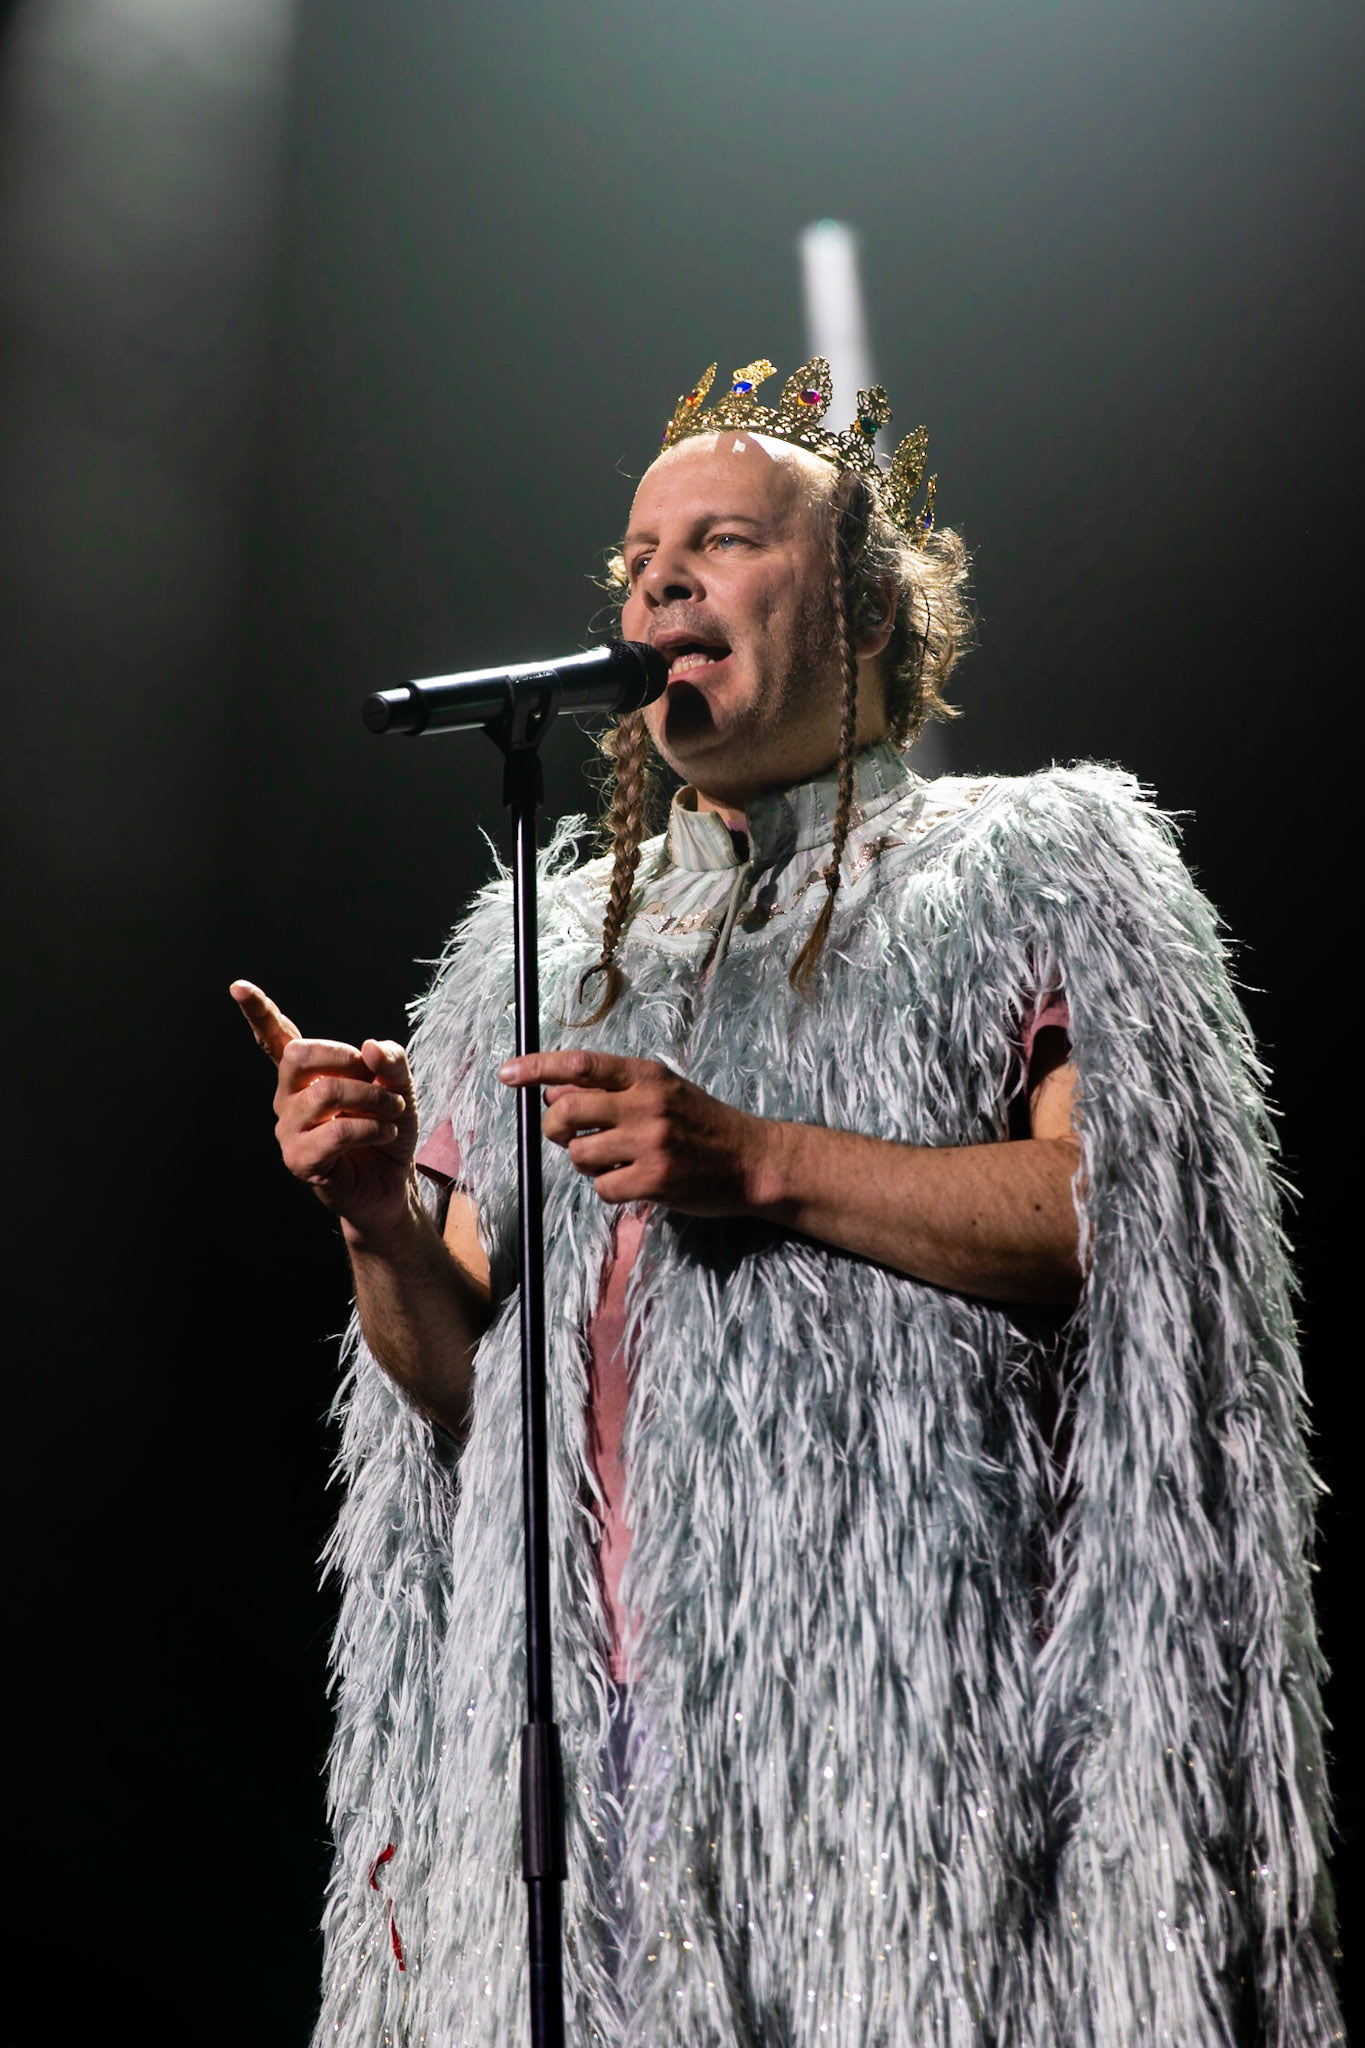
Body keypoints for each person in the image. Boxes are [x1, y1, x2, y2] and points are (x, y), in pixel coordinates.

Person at [233, 357, 1343, 2047]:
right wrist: (378, 1213)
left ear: (869, 609)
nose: (657, 580)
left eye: (722, 539)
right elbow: (460, 1386)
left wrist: (752, 1160)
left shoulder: (1032, 868)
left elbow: (1118, 1229)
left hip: (901, 1775)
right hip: (589, 1789)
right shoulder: (533, 947)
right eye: (633, 555)